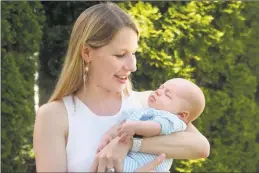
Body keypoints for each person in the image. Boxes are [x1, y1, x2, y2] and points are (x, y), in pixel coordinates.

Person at [33, 2, 210, 172]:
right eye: (120, 55)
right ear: (87, 53)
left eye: (133, 53)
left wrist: (128, 143)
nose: (132, 66)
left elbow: (201, 147)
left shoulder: (149, 103)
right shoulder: (54, 116)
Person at [97, 78, 206, 172]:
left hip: (142, 164)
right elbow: (122, 124)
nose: (158, 92)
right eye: (160, 87)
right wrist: (109, 135)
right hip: (132, 158)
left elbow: (156, 127)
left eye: (167, 95)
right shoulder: (144, 111)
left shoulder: (172, 120)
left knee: (114, 166)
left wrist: (136, 128)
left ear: (182, 114)